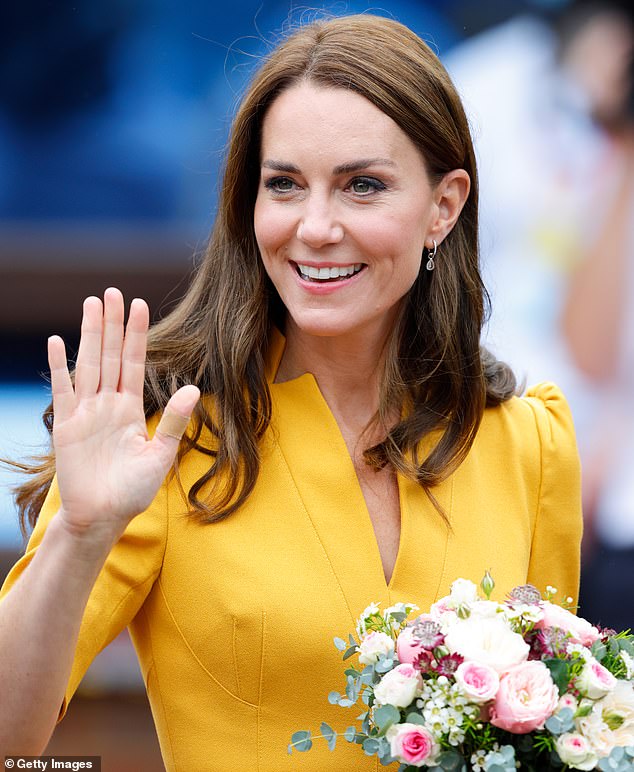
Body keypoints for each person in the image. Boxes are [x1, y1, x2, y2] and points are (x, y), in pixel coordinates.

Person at [0, 14, 582, 770]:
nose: (313, 227)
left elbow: (541, 745)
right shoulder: (165, 438)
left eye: (361, 186)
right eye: (284, 185)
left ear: (444, 206)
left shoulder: (529, 443)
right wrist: (78, 536)